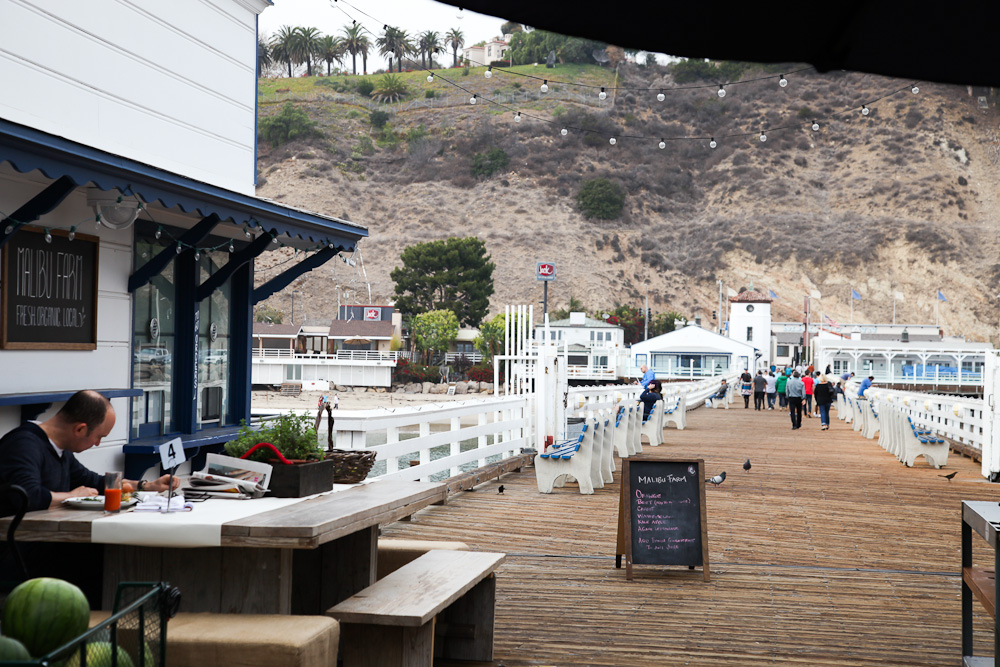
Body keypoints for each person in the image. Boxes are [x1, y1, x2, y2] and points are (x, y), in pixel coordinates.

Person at [0, 390, 178, 515]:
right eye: (99, 437)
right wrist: (71, 496)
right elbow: (26, 496)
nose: (98, 444)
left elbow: (97, 482)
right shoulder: (23, 445)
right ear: (80, 429)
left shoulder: (61, 450)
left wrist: (146, 486)